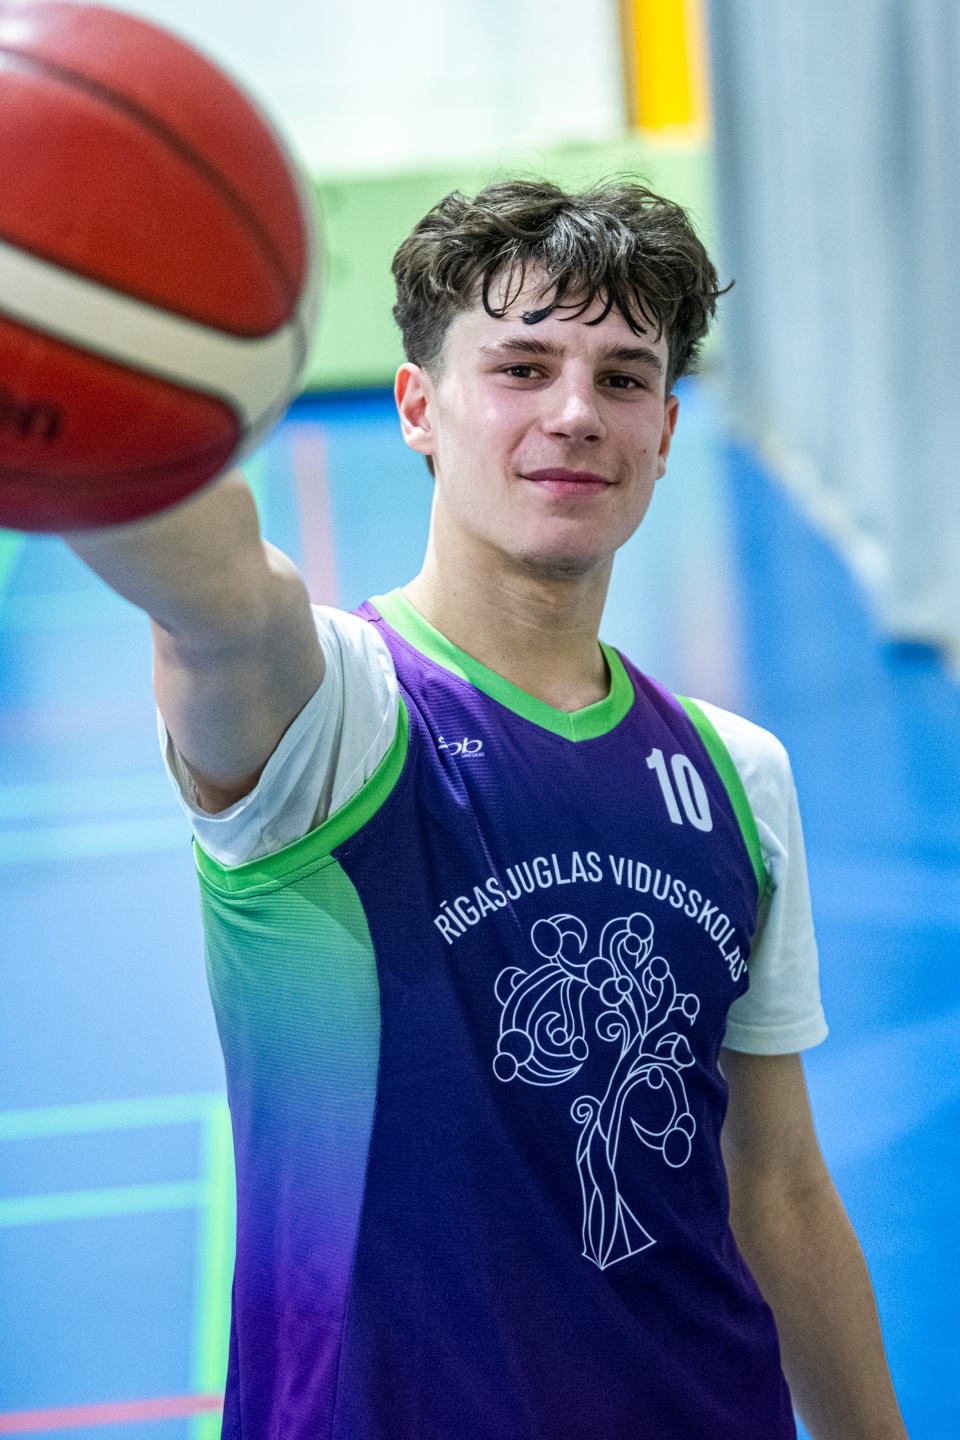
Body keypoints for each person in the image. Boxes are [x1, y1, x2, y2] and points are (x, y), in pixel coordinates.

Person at [67, 181, 907, 1440]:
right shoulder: (334, 716)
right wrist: (70, 372)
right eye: (522, 366)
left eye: (623, 378)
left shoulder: (738, 775)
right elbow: (219, 591)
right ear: (418, 406)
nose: (575, 412)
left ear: (666, 431)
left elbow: (778, 1187)